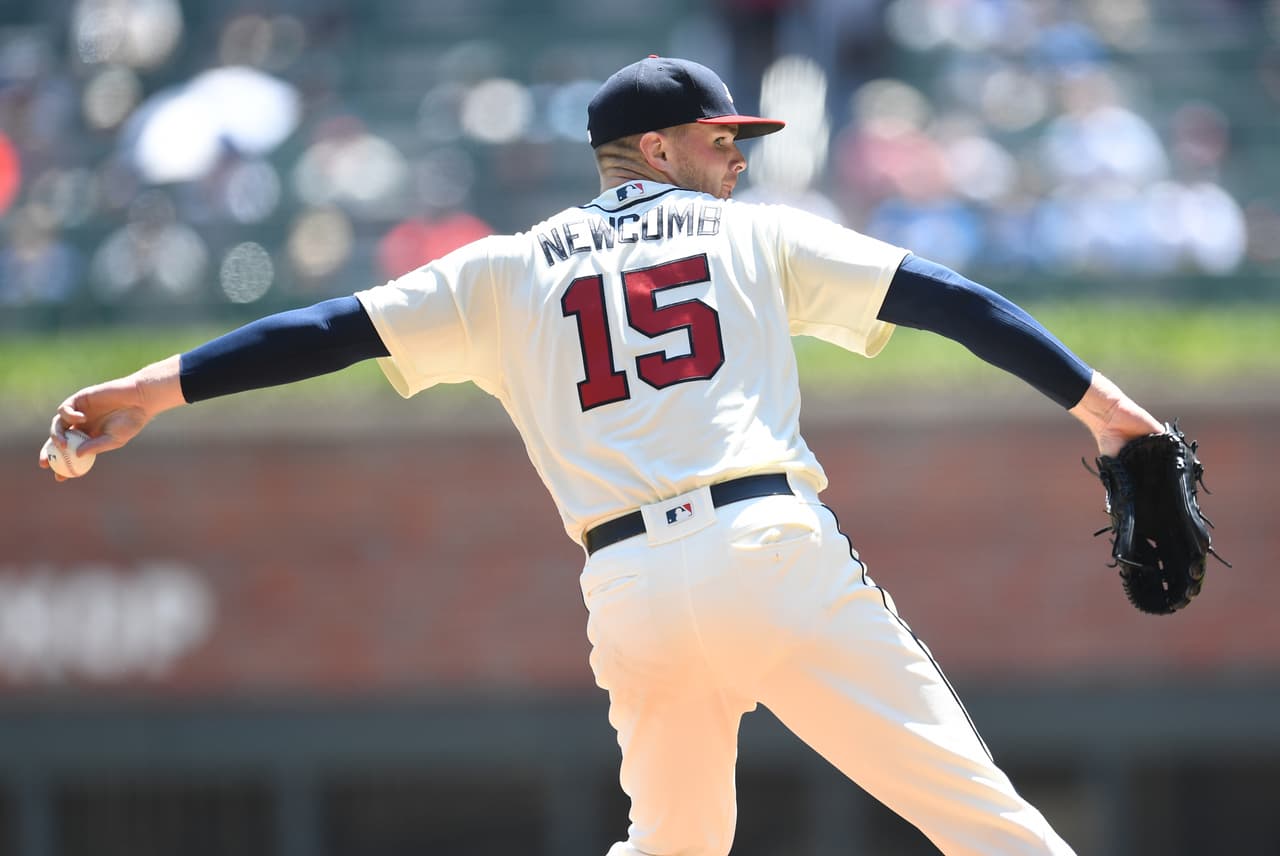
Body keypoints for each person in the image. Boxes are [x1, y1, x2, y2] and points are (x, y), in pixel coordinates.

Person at [41, 56, 1163, 855]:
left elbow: (321, 332)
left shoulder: (503, 267)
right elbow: (948, 300)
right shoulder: (750, 235)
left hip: (626, 585)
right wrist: (1106, 412)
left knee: (671, 845)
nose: (735, 158)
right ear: (658, 147)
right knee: (979, 819)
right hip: (765, 547)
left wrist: (150, 388)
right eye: (722, 140)